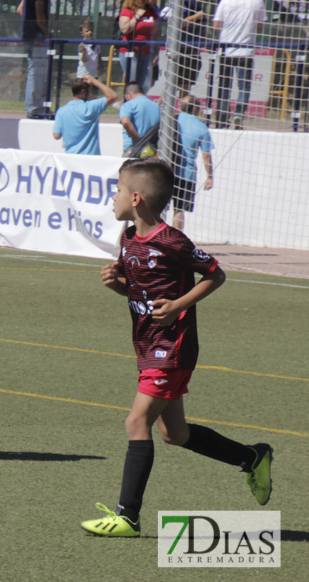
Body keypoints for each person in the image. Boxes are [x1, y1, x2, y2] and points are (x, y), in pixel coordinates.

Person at [80, 158, 273, 537]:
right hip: (147, 344)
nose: (112, 197)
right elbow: (140, 292)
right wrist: (117, 283)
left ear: (136, 198)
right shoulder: (129, 238)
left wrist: (178, 306)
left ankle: (127, 516)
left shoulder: (171, 241)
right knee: (175, 434)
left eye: (117, 190)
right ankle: (252, 457)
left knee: (137, 422)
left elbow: (216, 274)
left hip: (173, 346)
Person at [213, 0, 266, 129]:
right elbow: (261, 26)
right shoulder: (257, 0)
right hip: (245, 50)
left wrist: (229, 28)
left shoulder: (226, 0)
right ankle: (238, 114)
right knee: (244, 85)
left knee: (224, 86)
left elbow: (216, 25)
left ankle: (223, 119)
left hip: (227, 49)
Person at [171, 96, 213, 230]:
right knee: (178, 209)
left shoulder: (172, 120)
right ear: (195, 108)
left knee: (158, 207)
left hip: (166, 170)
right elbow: (206, 155)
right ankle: (174, 243)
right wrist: (210, 177)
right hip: (186, 174)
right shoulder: (201, 128)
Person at [52, 76, 119, 155]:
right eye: (90, 92)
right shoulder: (91, 107)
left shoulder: (62, 111)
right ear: (83, 92)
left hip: (70, 158)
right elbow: (113, 96)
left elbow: (56, 135)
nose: (91, 95)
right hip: (90, 158)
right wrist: (95, 82)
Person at [117, 0, 159, 93]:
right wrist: (136, 17)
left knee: (145, 85)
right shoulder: (128, 11)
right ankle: (128, 107)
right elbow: (125, 29)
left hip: (146, 53)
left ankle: (139, 109)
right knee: (133, 85)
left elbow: (156, 34)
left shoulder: (151, 12)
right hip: (130, 51)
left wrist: (156, 53)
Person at [18, 0, 52, 119]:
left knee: (36, 70)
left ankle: (36, 107)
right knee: (37, 71)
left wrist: (28, 23)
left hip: (30, 35)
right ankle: (34, 109)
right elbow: (39, 11)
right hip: (37, 36)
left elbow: (20, 9)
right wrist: (45, 32)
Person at [171, 0, 209, 92]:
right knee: (175, 84)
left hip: (194, 50)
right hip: (182, 49)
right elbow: (179, 23)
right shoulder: (185, 2)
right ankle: (159, 105)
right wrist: (196, 17)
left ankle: (183, 108)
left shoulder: (200, 5)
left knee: (186, 86)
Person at [119, 82, 160, 156]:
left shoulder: (128, 105)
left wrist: (137, 138)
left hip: (133, 148)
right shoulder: (156, 106)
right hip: (151, 150)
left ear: (129, 95)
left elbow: (125, 122)